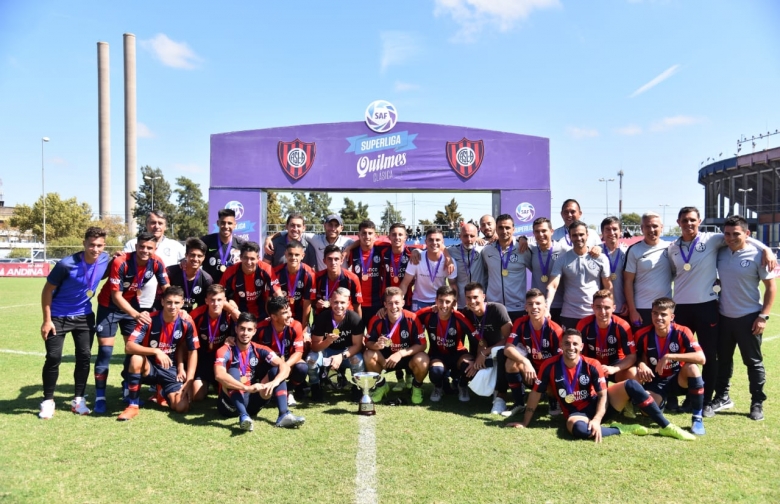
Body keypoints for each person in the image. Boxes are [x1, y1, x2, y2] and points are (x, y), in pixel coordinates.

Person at [668, 207, 775, 409]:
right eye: (685, 220)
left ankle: (724, 399)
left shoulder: (712, 239)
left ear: (699, 221)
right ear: (678, 222)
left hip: (723, 311)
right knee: (691, 355)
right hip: (699, 311)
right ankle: (690, 396)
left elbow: (741, 236)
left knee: (725, 357)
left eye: (692, 220)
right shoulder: (675, 247)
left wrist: (767, 249)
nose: (689, 223)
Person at [38, 227, 111, 419]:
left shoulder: (105, 260)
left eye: (100, 246)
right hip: (58, 317)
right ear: (84, 243)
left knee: (84, 356)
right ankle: (48, 401)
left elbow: (104, 273)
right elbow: (46, 291)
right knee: (53, 357)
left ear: (104, 246)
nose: (96, 249)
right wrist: (47, 321)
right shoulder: (65, 264)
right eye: (92, 245)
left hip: (84, 317)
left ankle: (78, 400)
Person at [508, 329, 631, 442]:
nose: (571, 347)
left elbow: (602, 395)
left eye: (575, 344)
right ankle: (620, 429)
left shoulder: (592, 364)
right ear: (561, 346)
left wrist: (597, 419)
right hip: (575, 414)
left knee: (631, 385)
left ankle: (650, 422)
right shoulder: (549, 365)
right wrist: (525, 422)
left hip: (596, 405)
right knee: (580, 430)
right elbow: (535, 393)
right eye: (567, 343)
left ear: (582, 346)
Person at [93, 232, 168, 413]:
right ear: (136, 247)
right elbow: (116, 296)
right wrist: (136, 314)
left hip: (131, 306)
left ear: (155, 249)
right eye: (141, 246)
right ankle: (100, 397)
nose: (145, 250)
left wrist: (175, 308)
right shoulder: (122, 261)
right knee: (105, 352)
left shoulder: (157, 262)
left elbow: (167, 289)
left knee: (131, 349)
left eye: (149, 247)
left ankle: (127, 389)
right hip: (109, 307)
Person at [711, 215, 777, 421]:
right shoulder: (720, 251)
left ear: (747, 234)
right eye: (727, 234)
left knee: (753, 362)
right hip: (723, 316)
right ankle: (722, 397)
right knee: (723, 360)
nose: (731, 238)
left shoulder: (759, 255)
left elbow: (771, 288)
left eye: (736, 234)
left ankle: (757, 402)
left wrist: (763, 316)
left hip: (749, 318)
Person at [117, 286, 198, 421]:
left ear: (182, 303)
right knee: (136, 358)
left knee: (181, 407)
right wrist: (155, 351)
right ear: (162, 302)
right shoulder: (149, 320)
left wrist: (189, 381)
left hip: (169, 368)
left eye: (177, 303)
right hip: (150, 366)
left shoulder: (186, 322)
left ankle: (162, 391)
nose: (172, 306)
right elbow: (129, 346)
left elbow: (192, 351)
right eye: (169, 302)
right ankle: (133, 405)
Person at [214, 312, 305, 430]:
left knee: (276, 370)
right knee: (233, 371)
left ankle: (284, 414)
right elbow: (219, 375)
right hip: (230, 405)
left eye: (249, 329)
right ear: (236, 329)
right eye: (242, 329)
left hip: (252, 401)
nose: (245, 333)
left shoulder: (259, 349)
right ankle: (243, 416)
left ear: (254, 331)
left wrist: (274, 382)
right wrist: (246, 388)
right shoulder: (225, 350)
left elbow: (285, 366)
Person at [634, 297, 707, 435]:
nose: (658, 317)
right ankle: (661, 403)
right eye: (655, 313)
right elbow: (637, 356)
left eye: (663, 314)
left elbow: (701, 358)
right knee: (646, 411)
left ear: (672, 317)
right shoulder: (642, 334)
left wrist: (669, 356)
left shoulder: (683, 331)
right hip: (655, 382)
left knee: (692, 368)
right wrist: (641, 364)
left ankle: (697, 417)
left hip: (678, 379)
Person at [503, 289, 564, 418]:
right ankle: (519, 403)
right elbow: (508, 348)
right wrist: (525, 362)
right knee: (511, 362)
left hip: (548, 372)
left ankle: (553, 400)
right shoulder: (520, 323)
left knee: (556, 372)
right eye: (530, 304)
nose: (534, 307)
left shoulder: (555, 329)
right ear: (526, 307)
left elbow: (560, 360)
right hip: (530, 370)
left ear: (545, 307)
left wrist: (544, 374)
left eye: (538, 303)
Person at [364, 287, 429, 405]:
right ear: (385, 304)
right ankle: (381, 386)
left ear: (403, 303)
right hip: (385, 360)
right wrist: (377, 345)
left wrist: (400, 353)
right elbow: (368, 342)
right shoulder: (376, 319)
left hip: (406, 358)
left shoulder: (412, 318)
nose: (394, 307)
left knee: (423, 359)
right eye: (390, 303)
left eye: (397, 303)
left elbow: (422, 345)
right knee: (368, 355)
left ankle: (416, 387)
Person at [545, 221, 612, 330]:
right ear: (570, 237)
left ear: (587, 235)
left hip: (594, 313)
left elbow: (608, 286)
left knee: (593, 347)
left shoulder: (601, 258)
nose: (578, 238)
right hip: (569, 314)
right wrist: (546, 307)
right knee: (570, 346)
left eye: (581, 234)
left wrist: (609, 310)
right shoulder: (562, 259)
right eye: (574, 235)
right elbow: (552, 286)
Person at [460, 282, 513, 414]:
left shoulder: (497, 309)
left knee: (501, 355)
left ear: (483, 296)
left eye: (475, 297)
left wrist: (485, 352)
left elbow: (510, 338)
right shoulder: (466, 313)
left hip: (499, 353)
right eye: (468, 298)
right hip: (478, 355)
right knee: (464, 365)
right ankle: (461, 385)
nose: (472, 301)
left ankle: (501, 397)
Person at [416, 286, 475, 402]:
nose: (443, 305)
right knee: (436, 372)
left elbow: (476, 338)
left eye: (448, 302)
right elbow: (406, 318)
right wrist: (384, 311)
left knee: (469, 366)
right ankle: (439, 386)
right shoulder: (427, 313)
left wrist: (477, 358)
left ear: (454, 303)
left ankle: (462, 385)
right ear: (436, 300)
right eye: (441, 301)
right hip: (437, 355)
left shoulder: (460, 318)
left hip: (458, 354)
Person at [309, 287, 366, 401]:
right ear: (330, 302)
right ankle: (315, 387)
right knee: (311, 359)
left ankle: (357, 388)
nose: (339, 306)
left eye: (342, 302)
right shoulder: (322, 317)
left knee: (357, 360)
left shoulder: (354, 318)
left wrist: (341, 356)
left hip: (346, 353)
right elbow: (314, 347)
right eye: (335, 302)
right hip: (326, 351)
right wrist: (327, 341)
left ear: (348, 303)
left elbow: (358, 345)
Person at [123, 210, 185, 311]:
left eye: (160, 223)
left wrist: (185, 261)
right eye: (153, 222)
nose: (157, 226)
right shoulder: (132, 244)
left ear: (165, 226)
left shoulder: (176, 246)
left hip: (164, 302)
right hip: (135, 300)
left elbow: (189, 265)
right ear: (146, 224)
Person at [253, 296, 308, 406]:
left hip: (288, 361)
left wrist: (285, 365)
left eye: (289, 310)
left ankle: (290, 390)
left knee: (302, 368)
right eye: (284, 313)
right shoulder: (260, 328)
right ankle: (269, 392)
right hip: (269, 363)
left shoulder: (296, 325)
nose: (290, 315)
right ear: (273, 316)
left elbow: (298, 352)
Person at [624, 212, 672, 328]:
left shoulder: (670, 247)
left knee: (663, 345)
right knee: (642, 345)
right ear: (642, 228)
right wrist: (633, 310)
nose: (651, 229)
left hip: (665, 308)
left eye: (655, 226)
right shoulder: (634, 250)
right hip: (642, 308)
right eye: (647, 226)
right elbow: (628, 281)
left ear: (662, 227)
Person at [576, 290, 636, 382]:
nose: (602, 312)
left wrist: (614, 369)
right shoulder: (583, 324)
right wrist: (590, 366)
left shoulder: (623, 325)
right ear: (592, 307)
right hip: (591, 364)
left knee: (633, 373)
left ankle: (620, 395)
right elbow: (578, 354)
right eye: (598, 307)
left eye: (607, 307)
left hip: (615, 365)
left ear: (614, 308)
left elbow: (632, 356)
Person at [480, 214, 531, 321]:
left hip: (518, 307)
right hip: (494, 306)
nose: (504, 231)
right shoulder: (486, 251)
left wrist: (522, 238)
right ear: (496, 229)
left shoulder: (523, 249)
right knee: (496, 338)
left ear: (513, 229)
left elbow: (536, 270)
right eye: (500, 228)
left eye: (507, 228)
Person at [189, 284, 234, 401]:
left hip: (221, 357)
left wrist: (233, 309)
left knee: (227, 395)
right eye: (212, 300)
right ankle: (207, 382)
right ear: (206, 301)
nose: (216, 304)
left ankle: (217, 382)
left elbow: (244, 323)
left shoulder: (229, 314)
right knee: (196, 397)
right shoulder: (196, 315)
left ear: (224, 301)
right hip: (202, 356)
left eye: (219, 300)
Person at [265, 213, 354, 271]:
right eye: (330, 225)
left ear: (341, 228)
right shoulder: (315, 239)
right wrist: (269, 238)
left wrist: (348, 248)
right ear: (325, 226)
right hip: (278, 288)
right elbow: (291, 232)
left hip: (342, 283)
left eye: (336, 225)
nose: (333, 228)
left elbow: (362, 243)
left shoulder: (348, 242)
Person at [399, 228, 457, 311]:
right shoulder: (416, 258)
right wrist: (398, 301)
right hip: (419, 300)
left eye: (437, 240)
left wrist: (454, 302)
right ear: (426, 242)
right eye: (431, 240)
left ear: (442, 242)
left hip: (440, 301)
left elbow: (453, 284)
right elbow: (405, 284)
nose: (434, 243)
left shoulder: (450, 262)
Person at [344, 220, 388, 326]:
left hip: (377, 304)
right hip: (356, 303)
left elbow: (399, 247)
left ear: (375, 235)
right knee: (357, 337)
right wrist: (349, 248)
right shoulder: (352, 252)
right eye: (363, 233)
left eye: (370, 233)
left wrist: (416, 251)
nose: (367, 236)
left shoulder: (382, 249)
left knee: (376, 338)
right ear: (359, 235)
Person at [220, 241, 274, 321]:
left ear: (258, 258)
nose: (249, 262)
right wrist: (232, 310)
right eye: (245, 258)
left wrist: (275, 314)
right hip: (238, 314)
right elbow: (219, 296)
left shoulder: (266, 269)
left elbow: (277, 292)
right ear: (241, 257)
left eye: (252, 259)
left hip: (262, 314)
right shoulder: (230, 272)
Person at [270, 240, 316, 330]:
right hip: (281, 314)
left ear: (302, 256)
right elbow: (270, 299)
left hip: (300, 313)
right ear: (285, 254)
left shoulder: (310, 274)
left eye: (297, 255)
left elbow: (307, 303)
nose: (293, 257)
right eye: (290, 254)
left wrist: (303, 330)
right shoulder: (275, 272)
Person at [528, 217, 565, 324]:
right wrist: (521, 238)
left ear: (551, 231)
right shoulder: (531, 250)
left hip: (560, 305)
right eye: (537, 231)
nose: (540, 234)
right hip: (537, 306)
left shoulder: (564, 250)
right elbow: (513, 239)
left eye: (544, 231)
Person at [164, 237, 213, 313]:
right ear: (186, 255)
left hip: (194, 319)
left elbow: (205, 306)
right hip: (171, 315)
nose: (195, 259)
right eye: (192, 255)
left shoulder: (207, 279)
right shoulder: (171, 272)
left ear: (204, 258)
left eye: (199, 256)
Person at [313, 244, 362, 317]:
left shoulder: (352, 278)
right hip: (323, 317)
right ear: (324, 261)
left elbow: (357, 306)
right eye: (330, 259)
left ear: (341, 260)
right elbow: (311, 301)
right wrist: (316, 303)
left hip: (345, 318)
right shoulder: (316, 277)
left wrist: (358, 327)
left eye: (336, 259)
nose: (333, 263)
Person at [447, 223, 487, 310]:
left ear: (477, 236)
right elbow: (436, 249)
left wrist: (523, 238)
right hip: (460, 302)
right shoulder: (451, 250)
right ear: (460, 236)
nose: (469, 239)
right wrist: (416, 251)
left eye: (472, 236)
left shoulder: (485, 248)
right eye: (465, 236)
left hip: (479, 302)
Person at [201, 208, 245, 283]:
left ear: (235, 225)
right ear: (218, 223)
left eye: (229, 223)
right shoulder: (206, 241)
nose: (226, 226)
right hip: (211, 290)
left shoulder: (241, 244)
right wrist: (185, 261)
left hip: (232, 290)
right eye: (223, 223)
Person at [600, 216, 629, 319]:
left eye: (615, 229)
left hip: (623, 307)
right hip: (601, 308)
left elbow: (632, 281)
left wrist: (628, 302)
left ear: (620, 232)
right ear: (602, 232)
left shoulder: (627, 252)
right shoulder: (595, 252)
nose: (611, 232)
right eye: (607, 229)